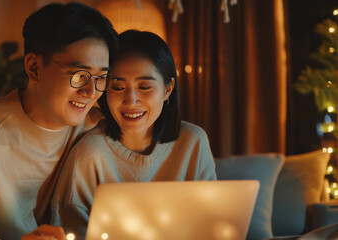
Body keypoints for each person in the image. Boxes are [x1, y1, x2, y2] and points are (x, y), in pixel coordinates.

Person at [0, 2, 117, 240]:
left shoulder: (100, 129)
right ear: (34, 68)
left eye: (101, 77)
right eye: (79, 74)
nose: (91, 91)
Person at [49, 30, 217, 239]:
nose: (131, 100)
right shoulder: (90, 153)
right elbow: (68, 230)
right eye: (117, 87)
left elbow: (212, 223)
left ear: (168, 89)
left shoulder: (193, 142)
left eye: (144, 86)